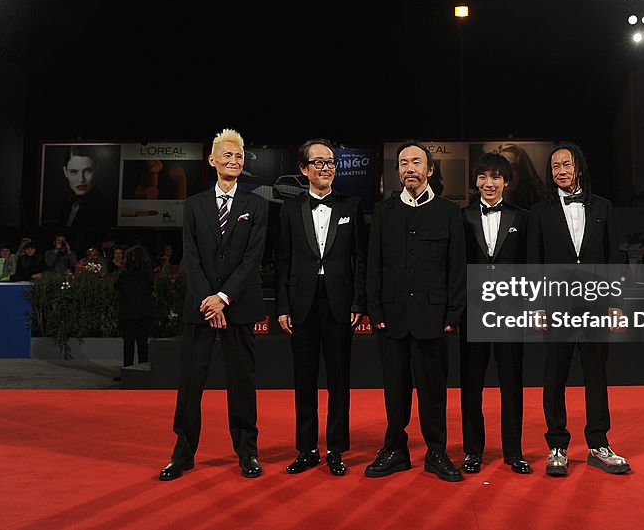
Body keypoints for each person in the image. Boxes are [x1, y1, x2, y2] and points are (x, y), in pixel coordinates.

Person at [159, 128, 268, 481]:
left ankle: (247, 453)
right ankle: (183, 453)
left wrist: (223, 298)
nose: (234, 161)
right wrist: (209, 300)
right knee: (191, 382)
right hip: (200, 306)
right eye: (228, 155)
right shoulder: (193, 204)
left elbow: (252, 258)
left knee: (242, 382)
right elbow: (190, 256)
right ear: (212, 160)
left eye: (239, 156)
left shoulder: (257, 205)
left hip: (238, 304)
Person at [526, 141, 631, 476]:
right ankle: (557, 445)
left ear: (579, 168)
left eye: (567, 165)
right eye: (555, 166)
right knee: (554, 376)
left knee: (596, 375)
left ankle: (598, 443)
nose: (561, 171)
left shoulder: (604, 207)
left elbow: (614, 257)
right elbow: (534, 262)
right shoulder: (539, 212)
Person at [364, 141, 466, 483]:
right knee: (395, 389)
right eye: (404, 162)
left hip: (434, 319)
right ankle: (395, 450)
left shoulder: (449, 213)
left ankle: (437, 451)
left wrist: (453, 315)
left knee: (433, 391)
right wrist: (374, 308)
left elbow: (457, 269)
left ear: (430, 170)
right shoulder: (383, 212)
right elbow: (373, 264)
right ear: (398, 171)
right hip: (391, 317)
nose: (409, 168)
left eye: (416, 162)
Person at [274, 139, 367, 477]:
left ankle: (336, 449)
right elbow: (282, 260)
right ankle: (307, 448)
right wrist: (282, 305)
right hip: (302, 303)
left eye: (331, 163)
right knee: (304, 379)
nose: (326, 168)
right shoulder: (288, 209)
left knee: (339, 380)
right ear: (304, 169)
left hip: (341, 303)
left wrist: (359, 300)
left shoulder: (352, 206)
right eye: (319, 163)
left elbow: (361, 258)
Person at [459, 152, 531, 475]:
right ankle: (472, 451)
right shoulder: (462, 217)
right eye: (483, 177)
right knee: (471, 384)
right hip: (472, 311)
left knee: (511, 383)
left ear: (506, 181)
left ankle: (514, 452)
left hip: (510, 312)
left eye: (496, 177)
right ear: (476, 182)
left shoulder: (523, 218)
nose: (489, 184)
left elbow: (531, 268)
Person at [115, 244, 155, 368]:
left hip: (128, 312)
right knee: (142, 342)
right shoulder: (148, 274)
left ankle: (128, 370)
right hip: (144, 312)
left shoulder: (126, 275)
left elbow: (117, 287)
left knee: (129, 343)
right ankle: (142, 370)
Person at [492, 143, 546, 210]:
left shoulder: (538, 204)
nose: (506, 175)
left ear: (521, 170)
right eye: (500, 169)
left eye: (512, 168)